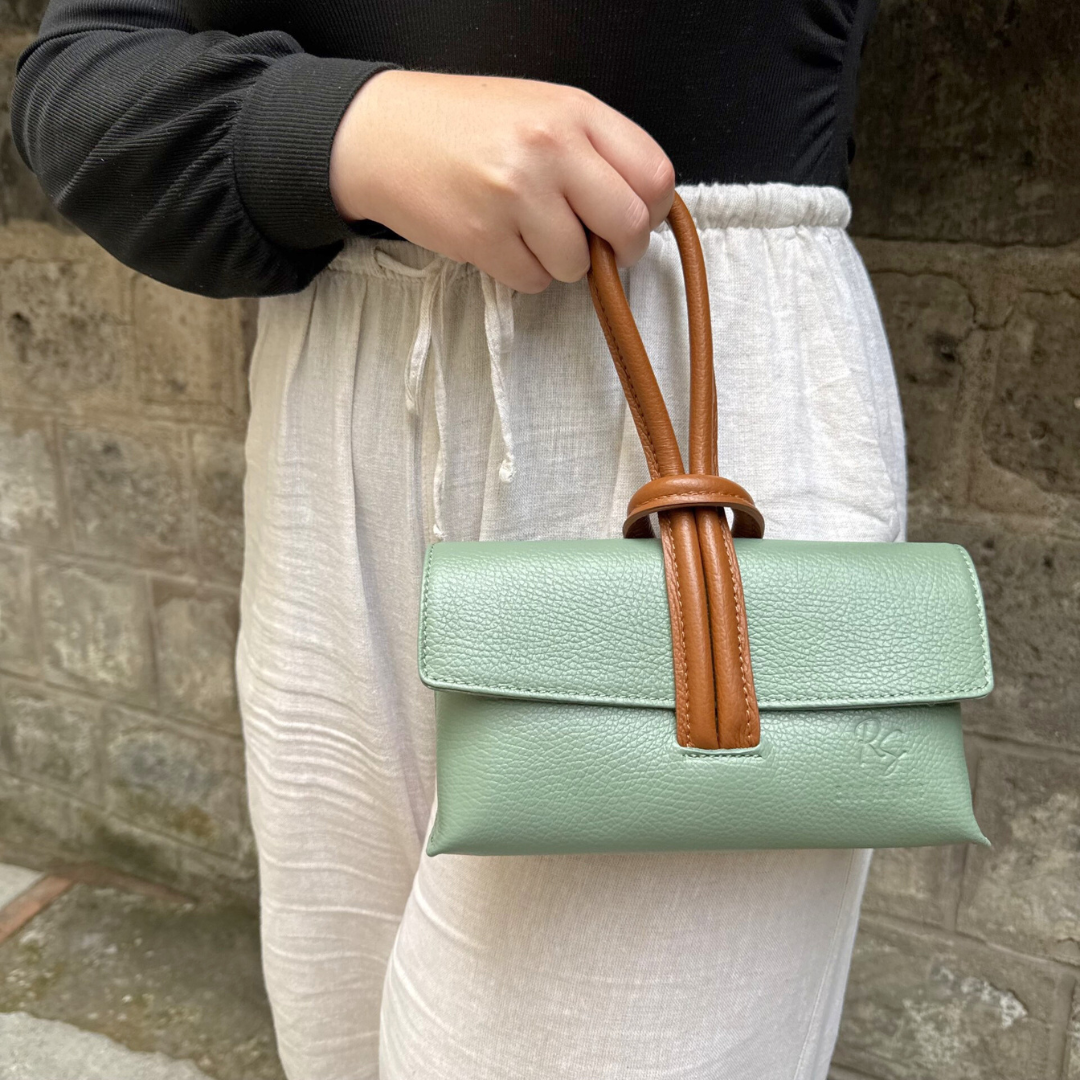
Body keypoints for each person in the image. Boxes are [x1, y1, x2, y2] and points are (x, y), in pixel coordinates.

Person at [11, 2, 905, 1077]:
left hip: (696, 391)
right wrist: (350, 128)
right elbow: (81, 83)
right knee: (336, 1029)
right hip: (330, 415)